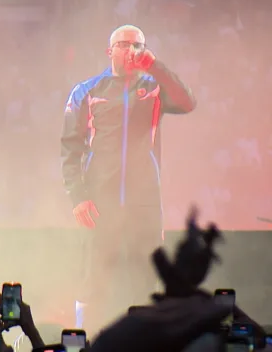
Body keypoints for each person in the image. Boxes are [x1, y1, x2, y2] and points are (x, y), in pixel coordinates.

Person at [60, 24, 196, 330]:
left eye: (138, 45)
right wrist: (78, 197)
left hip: (144, 203)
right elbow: (70, 148)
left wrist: (155, 66)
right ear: (110, 51)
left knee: (147, 279)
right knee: (93, 278)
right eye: (124, 44)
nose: (132, 50)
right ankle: (84, 340)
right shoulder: (87, 91)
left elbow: (187, 102)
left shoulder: (155, 87)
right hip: (99, 203)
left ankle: (147, 343)